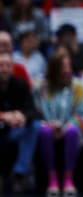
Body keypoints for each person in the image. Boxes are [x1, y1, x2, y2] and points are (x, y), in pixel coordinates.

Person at [34, 51, 83, 197]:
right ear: (53, 69)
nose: (67, 70)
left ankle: (68, 179)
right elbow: (34, 113)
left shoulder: (78, 87)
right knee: (45, 131)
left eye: (69, 66)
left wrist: (68, 125)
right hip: (47, 128)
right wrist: (47, 124)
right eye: (62, 67)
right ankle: (52, 179)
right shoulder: (40, 88)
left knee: (72, 131)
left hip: (70, 130)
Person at [0, 50, 40, 193]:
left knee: (34, 126)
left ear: (12, 68)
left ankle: (19, 173)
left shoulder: (20, 85)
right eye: (1, 65)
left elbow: (32, 110)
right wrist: (5, 116)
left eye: (8, 65)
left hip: (13, 130)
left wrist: (22, 117)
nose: (4, 69)